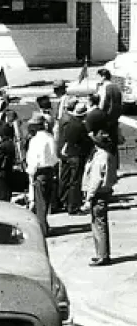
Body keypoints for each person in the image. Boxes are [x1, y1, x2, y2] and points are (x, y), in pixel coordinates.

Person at [82, 130, 119, 266]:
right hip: (105, 192)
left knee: (99, 225)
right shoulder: (109, 155)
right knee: (99, 223)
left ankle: (102, 255)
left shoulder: (100, 157)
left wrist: (88, 197)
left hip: (98, 194)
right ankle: (101, 253)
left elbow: (96, 179)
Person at [25, 111, 57, 237]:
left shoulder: (35, 140)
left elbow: (34, 159)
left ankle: (42, 228)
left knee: (40, 203)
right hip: (50, 170)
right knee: (46, 201)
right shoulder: (50, 137)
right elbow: (55, 157)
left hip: (39, 172)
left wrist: (31, 173)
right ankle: (45, 225)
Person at [57, 99, 91, 216]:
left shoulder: (69, 123)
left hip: (66, 154)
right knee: (75, 182)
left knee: (65, 178)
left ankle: (63, 200)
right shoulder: (80, 126)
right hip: (76, 155)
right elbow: (85, 142)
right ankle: (73, 206)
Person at [97, 68, 123, 145]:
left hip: (106, 117)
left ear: (103, 76)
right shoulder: (116, 87)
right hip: (115, 117)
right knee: (114, 140)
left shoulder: (105, 87)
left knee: (104, 141)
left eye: (98, 77)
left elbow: (102, 103)